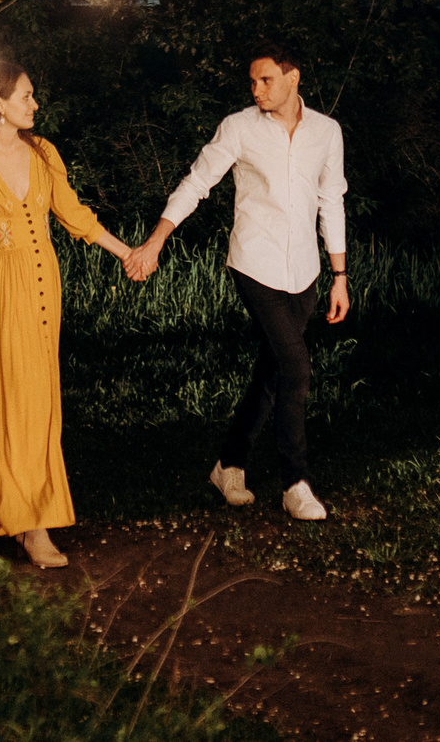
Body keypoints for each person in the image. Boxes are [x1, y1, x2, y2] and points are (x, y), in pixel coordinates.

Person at [123, 45, 348, 521]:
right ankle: (295, 483)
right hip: (254, 264)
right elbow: (197, 181)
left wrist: (339, 275)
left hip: (304, 271)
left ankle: (229, 463)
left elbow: (332, 201)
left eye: (265, 80)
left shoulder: (327, 132)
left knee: (272, 373)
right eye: (252, 82)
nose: (256, 90)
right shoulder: (240, 127)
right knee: (296, 367)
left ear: (293, 77)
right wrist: (156, 241)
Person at [0, 63, 136, 568]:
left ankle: (31, 515)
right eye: (26, 97)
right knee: (12, 402)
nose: (34, 105)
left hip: (43, 286)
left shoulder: (44, 153)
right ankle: (32, 527)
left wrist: (126, 253)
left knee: (40, 402)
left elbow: (74, 216)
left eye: (33, 96)